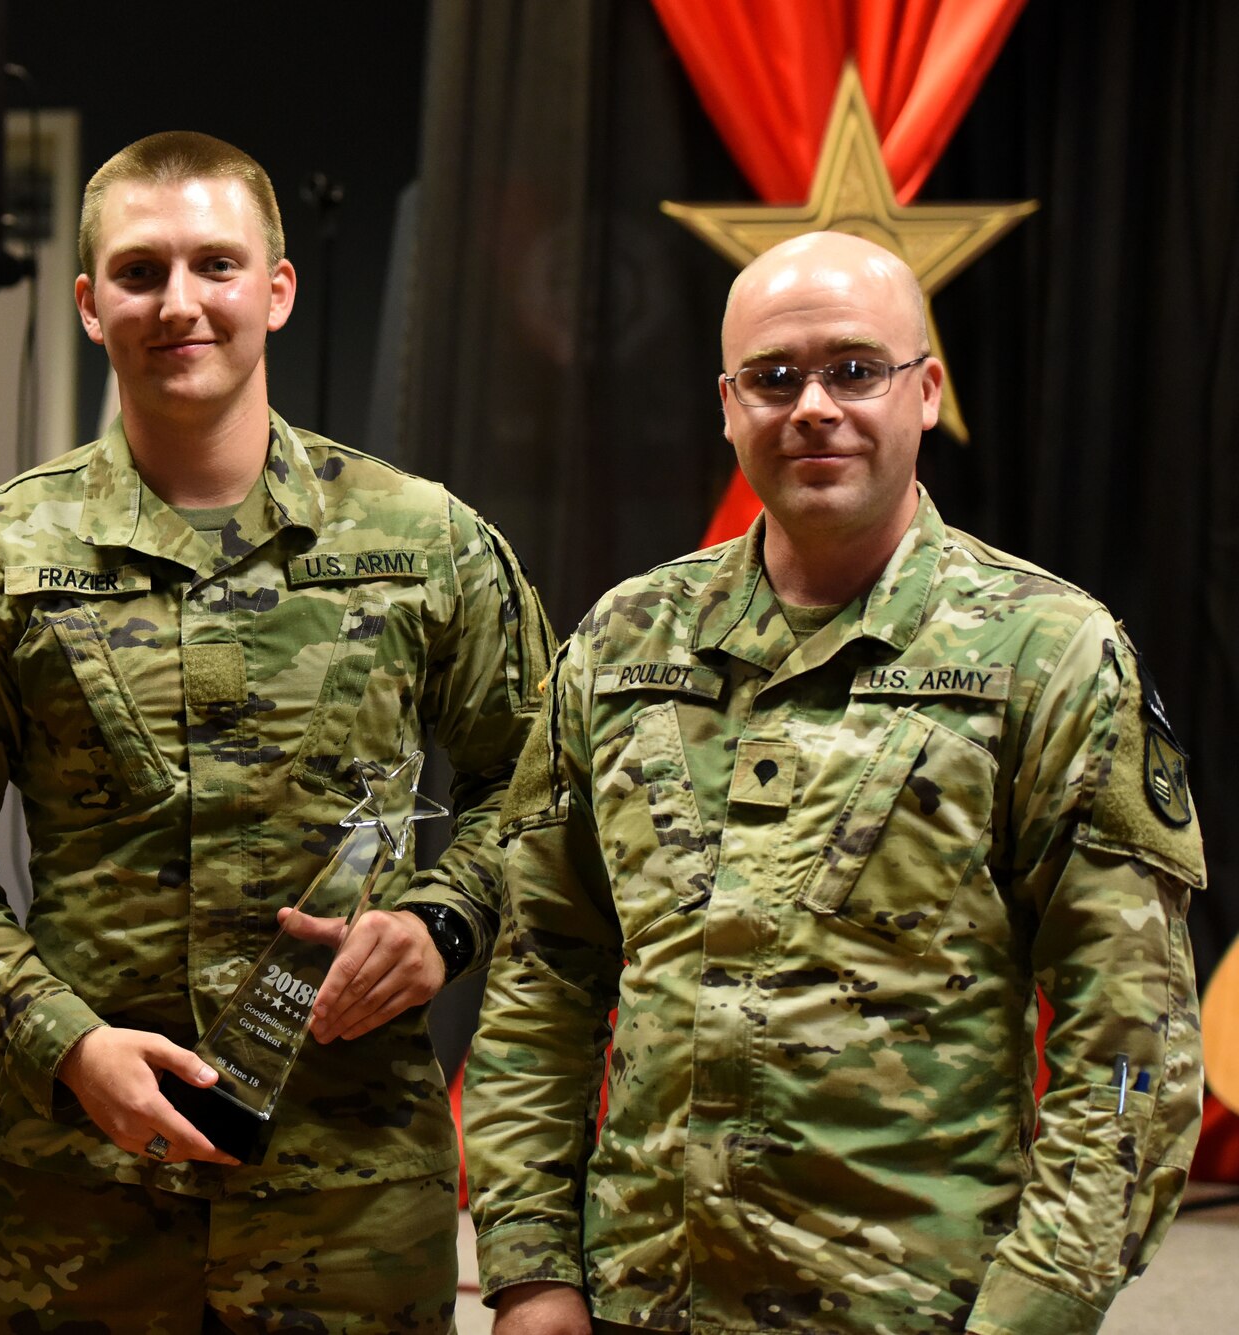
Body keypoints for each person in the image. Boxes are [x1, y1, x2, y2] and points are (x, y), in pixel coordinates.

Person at [0, 130, 552, 1332]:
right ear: (87, 304)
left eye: (215, 265)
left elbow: (542, 790)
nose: (178, 303)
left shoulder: (424, 541)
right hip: (88, 1206)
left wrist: (447, 921)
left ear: (275, 289)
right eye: (138, 272)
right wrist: (63, 1043)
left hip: (350, 1205)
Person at [464, 230, 1206, 1335]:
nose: (811, 405)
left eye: (853, 370)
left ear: (924, 393)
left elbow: (1128, 1040)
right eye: (772, 377)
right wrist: (528, 1270)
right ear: (726, 406)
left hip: (918, 1308)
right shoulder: (622, 641)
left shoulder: (1043, 653)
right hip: (640, 1302)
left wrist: (1037, 1308)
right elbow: (542, 983)